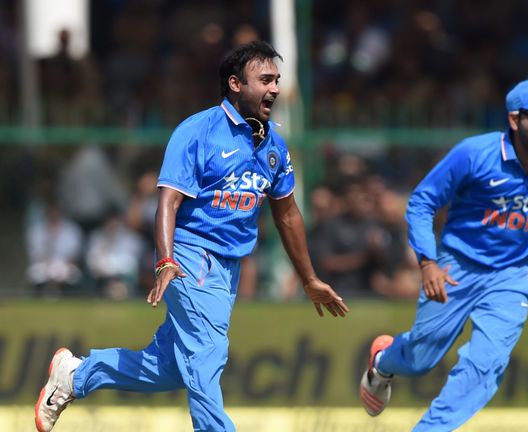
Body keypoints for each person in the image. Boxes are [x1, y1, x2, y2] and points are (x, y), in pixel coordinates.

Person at [34, 41, 349, 432]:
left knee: (167, 368)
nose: (275, 89)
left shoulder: (273, 146)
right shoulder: (197, 131)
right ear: (236, 84)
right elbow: (167, 203)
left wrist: (309, 278)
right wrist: (166, 259)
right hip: (189, 255)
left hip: (228, 268)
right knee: (208, 353)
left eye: (276, 80)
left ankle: (76, 375)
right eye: (265, 80)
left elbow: (287, 214)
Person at [360, 80, 528, 430]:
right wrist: (428, 261)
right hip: (457, 265)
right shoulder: (474, 154)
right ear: (514, 119)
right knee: (421, 359)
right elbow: (422, 202)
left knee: (487, 364)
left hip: (513, 274)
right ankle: (384, 359)